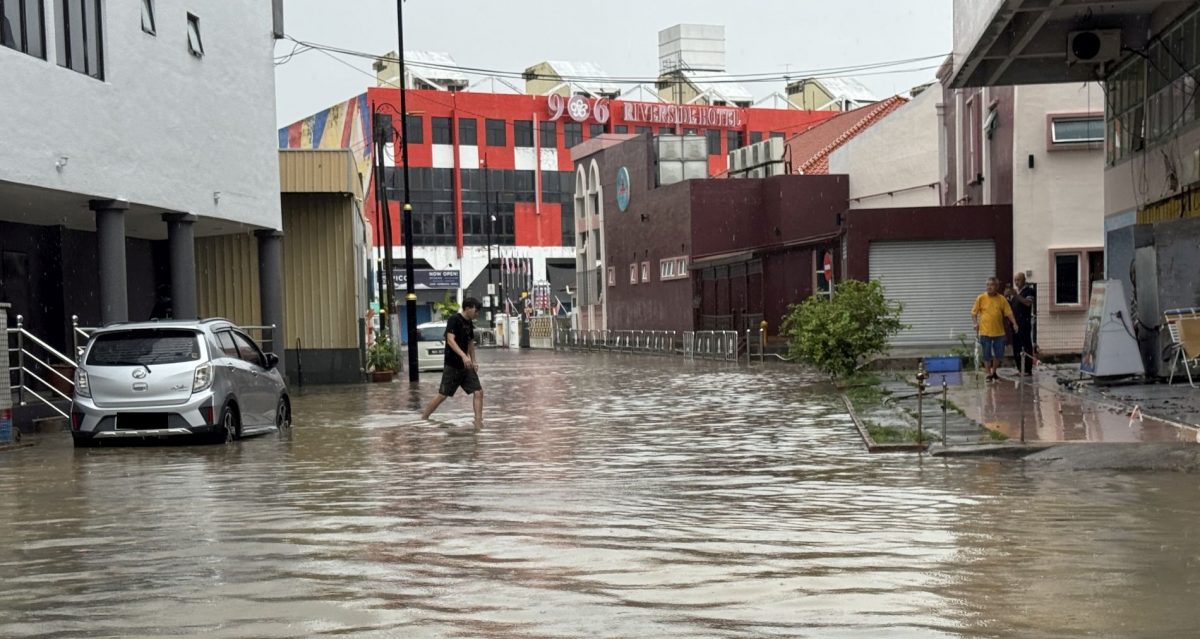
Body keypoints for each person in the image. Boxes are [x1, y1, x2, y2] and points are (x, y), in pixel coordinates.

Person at [421, 297, 484, 428]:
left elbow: (470, 342)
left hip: (466, 366)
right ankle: (424, 417)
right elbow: (450, 340)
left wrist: (473, 360)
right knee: (443, 395)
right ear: (467, 308)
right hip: (453, 364)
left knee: (478, 392)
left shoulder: (469, 323)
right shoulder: (454, 320)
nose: (477, 313)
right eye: (476, 310)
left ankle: (478, 422)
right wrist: (463, 356)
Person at [972, 277, 1019, 382]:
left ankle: (994, 372)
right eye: (987, 285)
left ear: (997, 287)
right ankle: (988, 374)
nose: (989, 287)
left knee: (999, 354)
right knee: (986, 354)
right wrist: (975, 323)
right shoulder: (981, 298)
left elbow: (1009, 312)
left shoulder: (1002, 299)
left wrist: (1014, 323)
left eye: (992, 285)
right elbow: (974, 313)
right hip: (985, 331)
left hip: (999, 332)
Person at [1005, 272, 1036, 375]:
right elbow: (1011, 307)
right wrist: (1007, 298)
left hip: (1024, 323)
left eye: (1018, 280)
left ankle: (1027, 369)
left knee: (1026, 345)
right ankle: (1019, 369)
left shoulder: (1029, 291)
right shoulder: (1016, 293)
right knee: (1016, 346)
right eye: (1015, 280)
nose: (1016, 282)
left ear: (1024, 280)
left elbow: (1027, 303)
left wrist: (1015, 295)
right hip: (1015, 324)